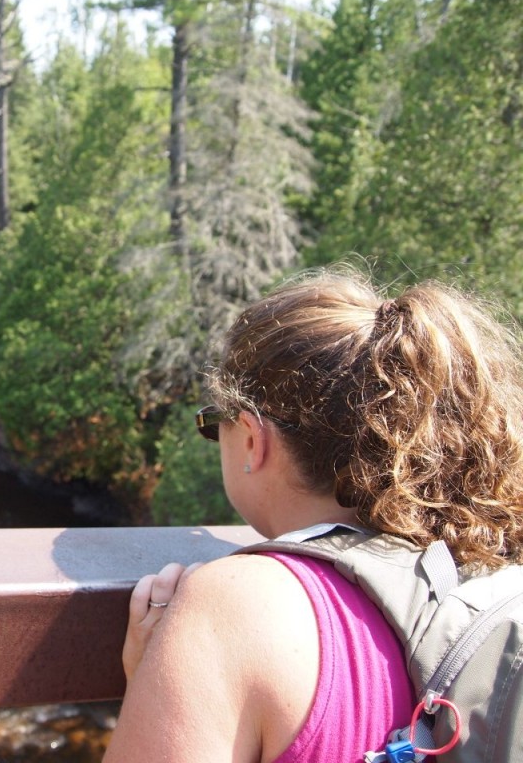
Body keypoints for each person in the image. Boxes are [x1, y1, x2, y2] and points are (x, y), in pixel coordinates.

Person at [103, 269, 523, 763]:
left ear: (252, 440)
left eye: (213, 427)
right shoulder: (492, 563)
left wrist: (156, 684)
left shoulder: (235, 609)